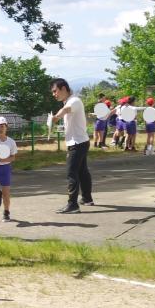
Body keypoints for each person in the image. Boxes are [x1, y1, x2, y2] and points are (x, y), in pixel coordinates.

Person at [51, 78, 93, 213]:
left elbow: (66, 110)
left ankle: (73, 205)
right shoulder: (70, 101)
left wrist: (55, 117)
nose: (54, 94)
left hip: (77, 143)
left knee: (71, 173)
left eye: (55, 91)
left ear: (63, 88)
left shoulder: (74, 101)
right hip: (81, 141)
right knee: (82, 172)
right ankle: (87, 198)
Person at [0, 116, 18, 223]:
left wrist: (5, 159)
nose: (0, 128)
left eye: (2, 126)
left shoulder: (11, 142)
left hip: (5, 169)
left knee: (7, 192)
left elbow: (13, 157)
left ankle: (6, 212)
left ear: (6, 127)